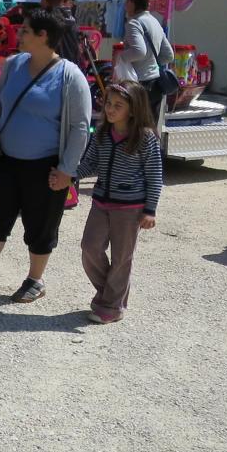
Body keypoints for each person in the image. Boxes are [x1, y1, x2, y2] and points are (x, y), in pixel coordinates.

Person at [0, 8, 91, 303]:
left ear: (43, 36)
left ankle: (35, 280)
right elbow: (4, 107)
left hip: (46, 166)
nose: (20, 34)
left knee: (41, 224)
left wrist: (67, 170)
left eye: (26, 30)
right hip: (8, 159)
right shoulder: (13, 65)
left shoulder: (70, 76)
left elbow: (80, 127)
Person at [69, 81, 163, 324]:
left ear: (133, 109)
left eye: (118, 105)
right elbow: (90, 164)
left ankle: (112, 306)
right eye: (108, 103)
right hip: (101, 203)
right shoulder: (102, 134)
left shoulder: (145, 137)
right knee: (90, 247)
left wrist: (150, 210)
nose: (110, 109)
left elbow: (154, 175)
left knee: (122, 257)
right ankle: (108, 294)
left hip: (130, 209)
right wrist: (70, 176)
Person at [120, 0, 174, 123]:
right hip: (156, 84)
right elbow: (169, 55)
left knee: (135, 130)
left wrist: (121, 56)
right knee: (150, 129)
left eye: (127, 1)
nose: (125, 5)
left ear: (132, 2)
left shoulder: (134, 23)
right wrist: (152, 63)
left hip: (140, 84)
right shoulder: (154, 21)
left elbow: (139, 51)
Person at [40, 0, 81, 65]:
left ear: (43, 0)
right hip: (71, 70)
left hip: (50, 70)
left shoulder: (43, 21)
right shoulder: (72, 21)